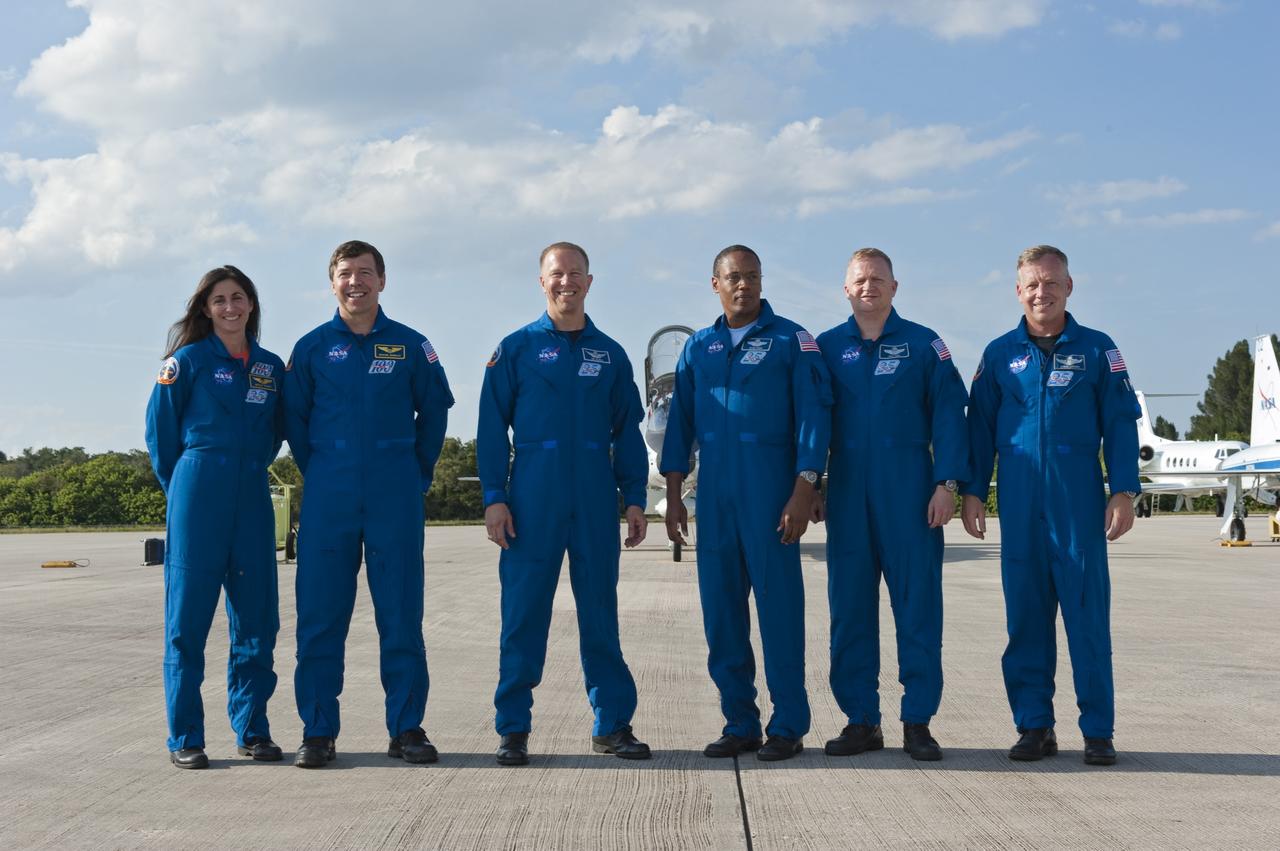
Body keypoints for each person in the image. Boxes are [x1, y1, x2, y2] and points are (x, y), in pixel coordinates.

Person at [961, 244, 1140, 767]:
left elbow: (1120, 425)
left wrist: (1123, 491)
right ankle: (1034, 727)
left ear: (1069, 286)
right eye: (1032, 284)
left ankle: (1098, 731)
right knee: (1026, 622)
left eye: (1052, 282)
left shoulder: (1099, 350)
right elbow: (980, 431)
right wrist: (973, 490)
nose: (1042, 292)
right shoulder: (999, 355)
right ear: (1019, 291)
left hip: (1077, 506)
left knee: (1087, 619)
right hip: (1019, 506)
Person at [478, 242, 651, 766]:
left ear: (589, 282)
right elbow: (490, 431)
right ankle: (513, 728)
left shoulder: (611, 354)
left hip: (596, 498)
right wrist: (494, 498)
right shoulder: (516, 349)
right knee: (523, 615)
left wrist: (636, 498)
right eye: (557, 274)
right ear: (542, 281)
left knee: (600, 612)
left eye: (576, 273)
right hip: (532, 499)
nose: (566, 282)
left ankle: (612, 725)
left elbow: (628, 432)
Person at [284, 240, 454, 768]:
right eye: (344, 274)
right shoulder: (311, 348)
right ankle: (317, 730)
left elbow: (435, 414)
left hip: (394, 491)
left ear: (383, 280)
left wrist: (414, 472)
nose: (354, 282)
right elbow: (294, 422)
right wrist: (325, 473)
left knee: (401, 612)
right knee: (319, 615)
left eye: (364, 273)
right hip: (329, 495)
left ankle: (406, 727)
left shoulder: (411, 345)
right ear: (331, 283)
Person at [660, 244, 832, 762]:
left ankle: (788, 723)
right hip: (715, 495)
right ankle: (739, 720)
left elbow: (813, 416)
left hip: (770, 490)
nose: (744, 285)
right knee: (722, 615)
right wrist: (673, 496)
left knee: (780, 612)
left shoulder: (792, 341)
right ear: (716, 283)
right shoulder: (699, 348)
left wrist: (804, 488)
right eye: (734, 277)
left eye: (752, 276)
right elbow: (680, 427)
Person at [815, 248, 969, 762]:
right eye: (859, 279)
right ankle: (861, 720)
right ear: (845, 289)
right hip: (847, 490)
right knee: (850, 610)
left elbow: (950, 414)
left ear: (895, 287)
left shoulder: (925, 345)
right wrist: (811, 483)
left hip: (910, 489)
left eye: (878, 279)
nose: (868, 287)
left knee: (918, 606)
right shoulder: (826, 348)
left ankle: (918, 720)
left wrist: (947, 482)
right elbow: (811, 420)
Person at [145, 265, 286, 769]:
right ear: (205, 309)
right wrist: (185, 486)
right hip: (198, 490)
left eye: (239, 298)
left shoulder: (271, 367)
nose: (231, 307)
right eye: (220, 300)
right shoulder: (185, 363)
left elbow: (276, 432)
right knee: (186, 624)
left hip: (250, 494)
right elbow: (160, 438)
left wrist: (246, 469)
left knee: (257, 622)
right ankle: (185, 737)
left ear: (252, 304)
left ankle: (253, 729)